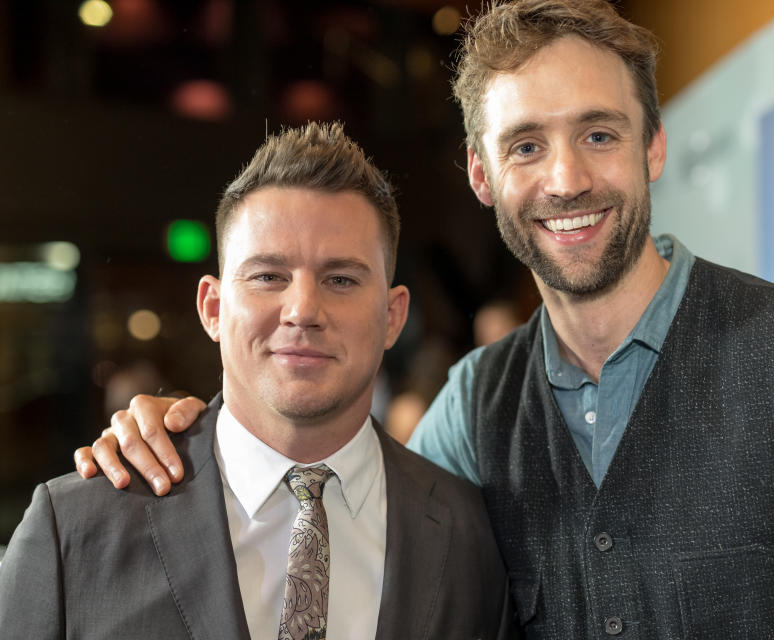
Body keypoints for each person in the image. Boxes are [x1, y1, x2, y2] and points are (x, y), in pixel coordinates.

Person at [74, 0, 774, 638]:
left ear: (654, 145)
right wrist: (191, 441)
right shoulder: (471, 408)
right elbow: (335, 524)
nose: (566, 178)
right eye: (526, 145)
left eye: (601, 134)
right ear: (481, 175)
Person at [0, 122, 517, 640]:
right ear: (213, 308)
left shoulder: (472, 540)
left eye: (341, 279)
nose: (303, 310)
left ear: (392, 317)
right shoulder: (72, 530)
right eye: (268, 276)